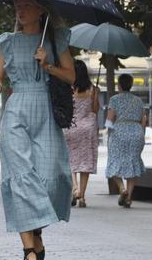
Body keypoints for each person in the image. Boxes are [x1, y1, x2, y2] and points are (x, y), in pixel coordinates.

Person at [0, 0, 75, 260]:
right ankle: (28, 252)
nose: (20, 11)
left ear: (40, 9)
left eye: (26, 6)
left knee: (49, 179)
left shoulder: (55, 39)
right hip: (16, 111)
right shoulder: (7, 41)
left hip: (46, 111)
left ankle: (36, 235)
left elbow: (70, 76)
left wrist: (48, 65)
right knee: (20, 176)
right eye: (17, 7)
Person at [105, 74, 147, 209]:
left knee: (114, 161)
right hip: (136, 131)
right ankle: (128, 197)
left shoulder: (114, 99)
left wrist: (108, 131)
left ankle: (122, 188)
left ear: (119, 85)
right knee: (132, 163)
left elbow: (110, 118)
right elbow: (143, 120)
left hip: (119, 131)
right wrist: (141, 134)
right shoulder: (138, 101)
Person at [64, 60, 99, 208]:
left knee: (71, 159)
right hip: (87, 129)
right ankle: (82, 197)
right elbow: (95, 109)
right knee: (85, 162)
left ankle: (75, 188)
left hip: (70, 127)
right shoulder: (93, 89)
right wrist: (95, 94)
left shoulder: (68, 88)